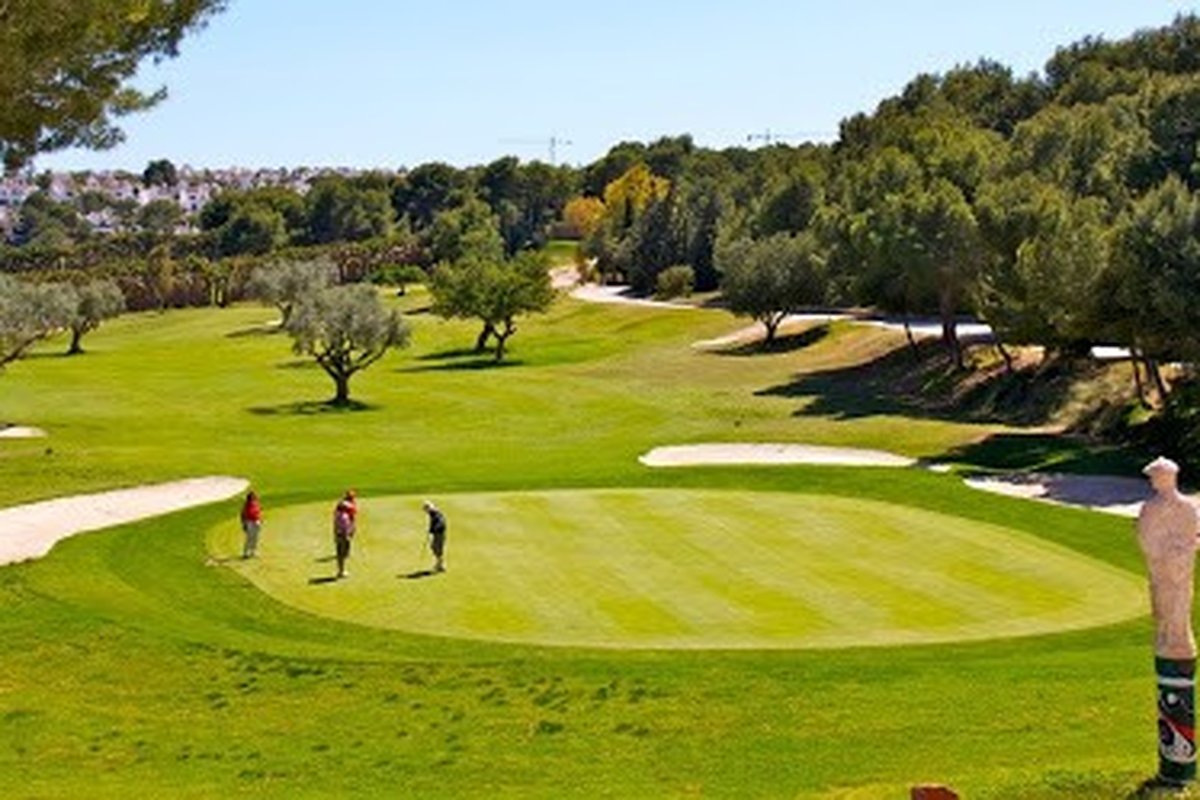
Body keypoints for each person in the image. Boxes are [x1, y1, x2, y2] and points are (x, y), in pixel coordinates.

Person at [333, 490, 358, 579]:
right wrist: (350, 530)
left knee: (340, 550)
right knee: (341, 550)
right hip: (342, 531)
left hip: (339, 531)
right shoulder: (345, 513)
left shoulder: (339, 509)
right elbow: (351, 519)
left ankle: (341, 570)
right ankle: (341, 571)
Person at [424, 500, 447, 573]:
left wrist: (434, 529)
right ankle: (440, 564)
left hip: (440, 533)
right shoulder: (432, 513)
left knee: (437, 548)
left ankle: (440, 565)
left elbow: (441, 523)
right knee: (434, 547)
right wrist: (430, 530)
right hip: (437, 533)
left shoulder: (436, 514)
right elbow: (432, 523)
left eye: (426, 509)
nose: (426, 512)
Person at [240, 490, 262, 559]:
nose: (253, 497)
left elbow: (259, 512)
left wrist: (260, 520)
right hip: (249, 522)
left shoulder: (257, 503)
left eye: (254, 496)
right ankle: (246, 553)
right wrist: (244, 524)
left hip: (256, 521)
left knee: (255, 538)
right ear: (249, 497)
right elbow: (242, 515)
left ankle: (253, 552)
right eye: (252, 496)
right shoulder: (246, 504)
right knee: (249, 538)